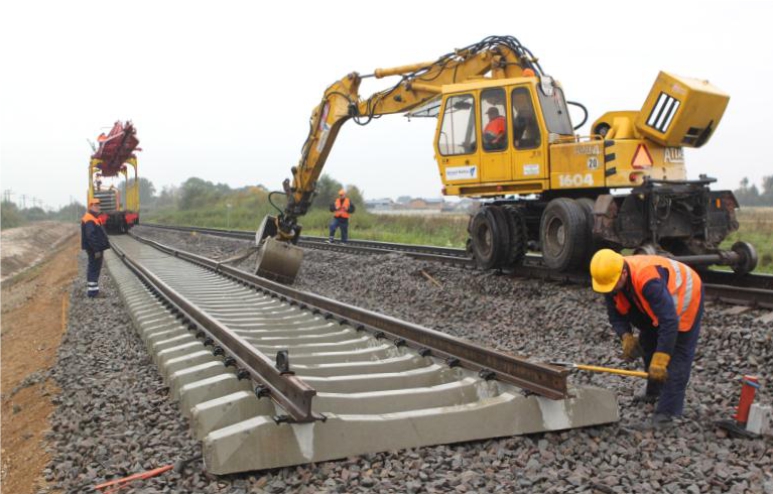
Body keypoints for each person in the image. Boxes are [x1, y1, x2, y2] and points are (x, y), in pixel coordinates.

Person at [590, 249, 704, 427]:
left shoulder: (647, 280)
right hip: (658, 304)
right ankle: (654, 390)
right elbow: (615, 316)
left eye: (612, 287)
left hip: (685, 295)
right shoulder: (610, 278)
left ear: (624, 274)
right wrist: (625, 336)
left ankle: (668, 413)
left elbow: (669, 322)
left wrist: (662, 358)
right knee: (648, 342)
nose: (610, 291)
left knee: (678, 355)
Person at [81, 198, 111, 298]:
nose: (98, 206)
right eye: (95, 205)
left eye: (98, 205)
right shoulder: (89, 218)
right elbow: (91, 236)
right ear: (90, 206)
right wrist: (96, 250)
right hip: (94, 249)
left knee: (95, 268)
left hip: (95, 249)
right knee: (94, 268)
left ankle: (94, 291)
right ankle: (93, 293)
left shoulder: (94, 217)